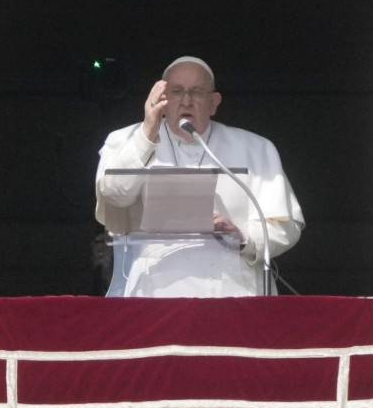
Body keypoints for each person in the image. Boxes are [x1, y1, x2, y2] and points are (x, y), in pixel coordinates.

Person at [95, 56, 304, 297]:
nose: (185, 101)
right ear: (161, 98)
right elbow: (114, 195)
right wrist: (147, 134)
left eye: (196, 92)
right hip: (154, 293)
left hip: (233, 292)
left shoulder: (255, 147)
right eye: (176, 92)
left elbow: (285, 226)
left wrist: (244, 237)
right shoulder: (125, 140)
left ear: (213, 103)